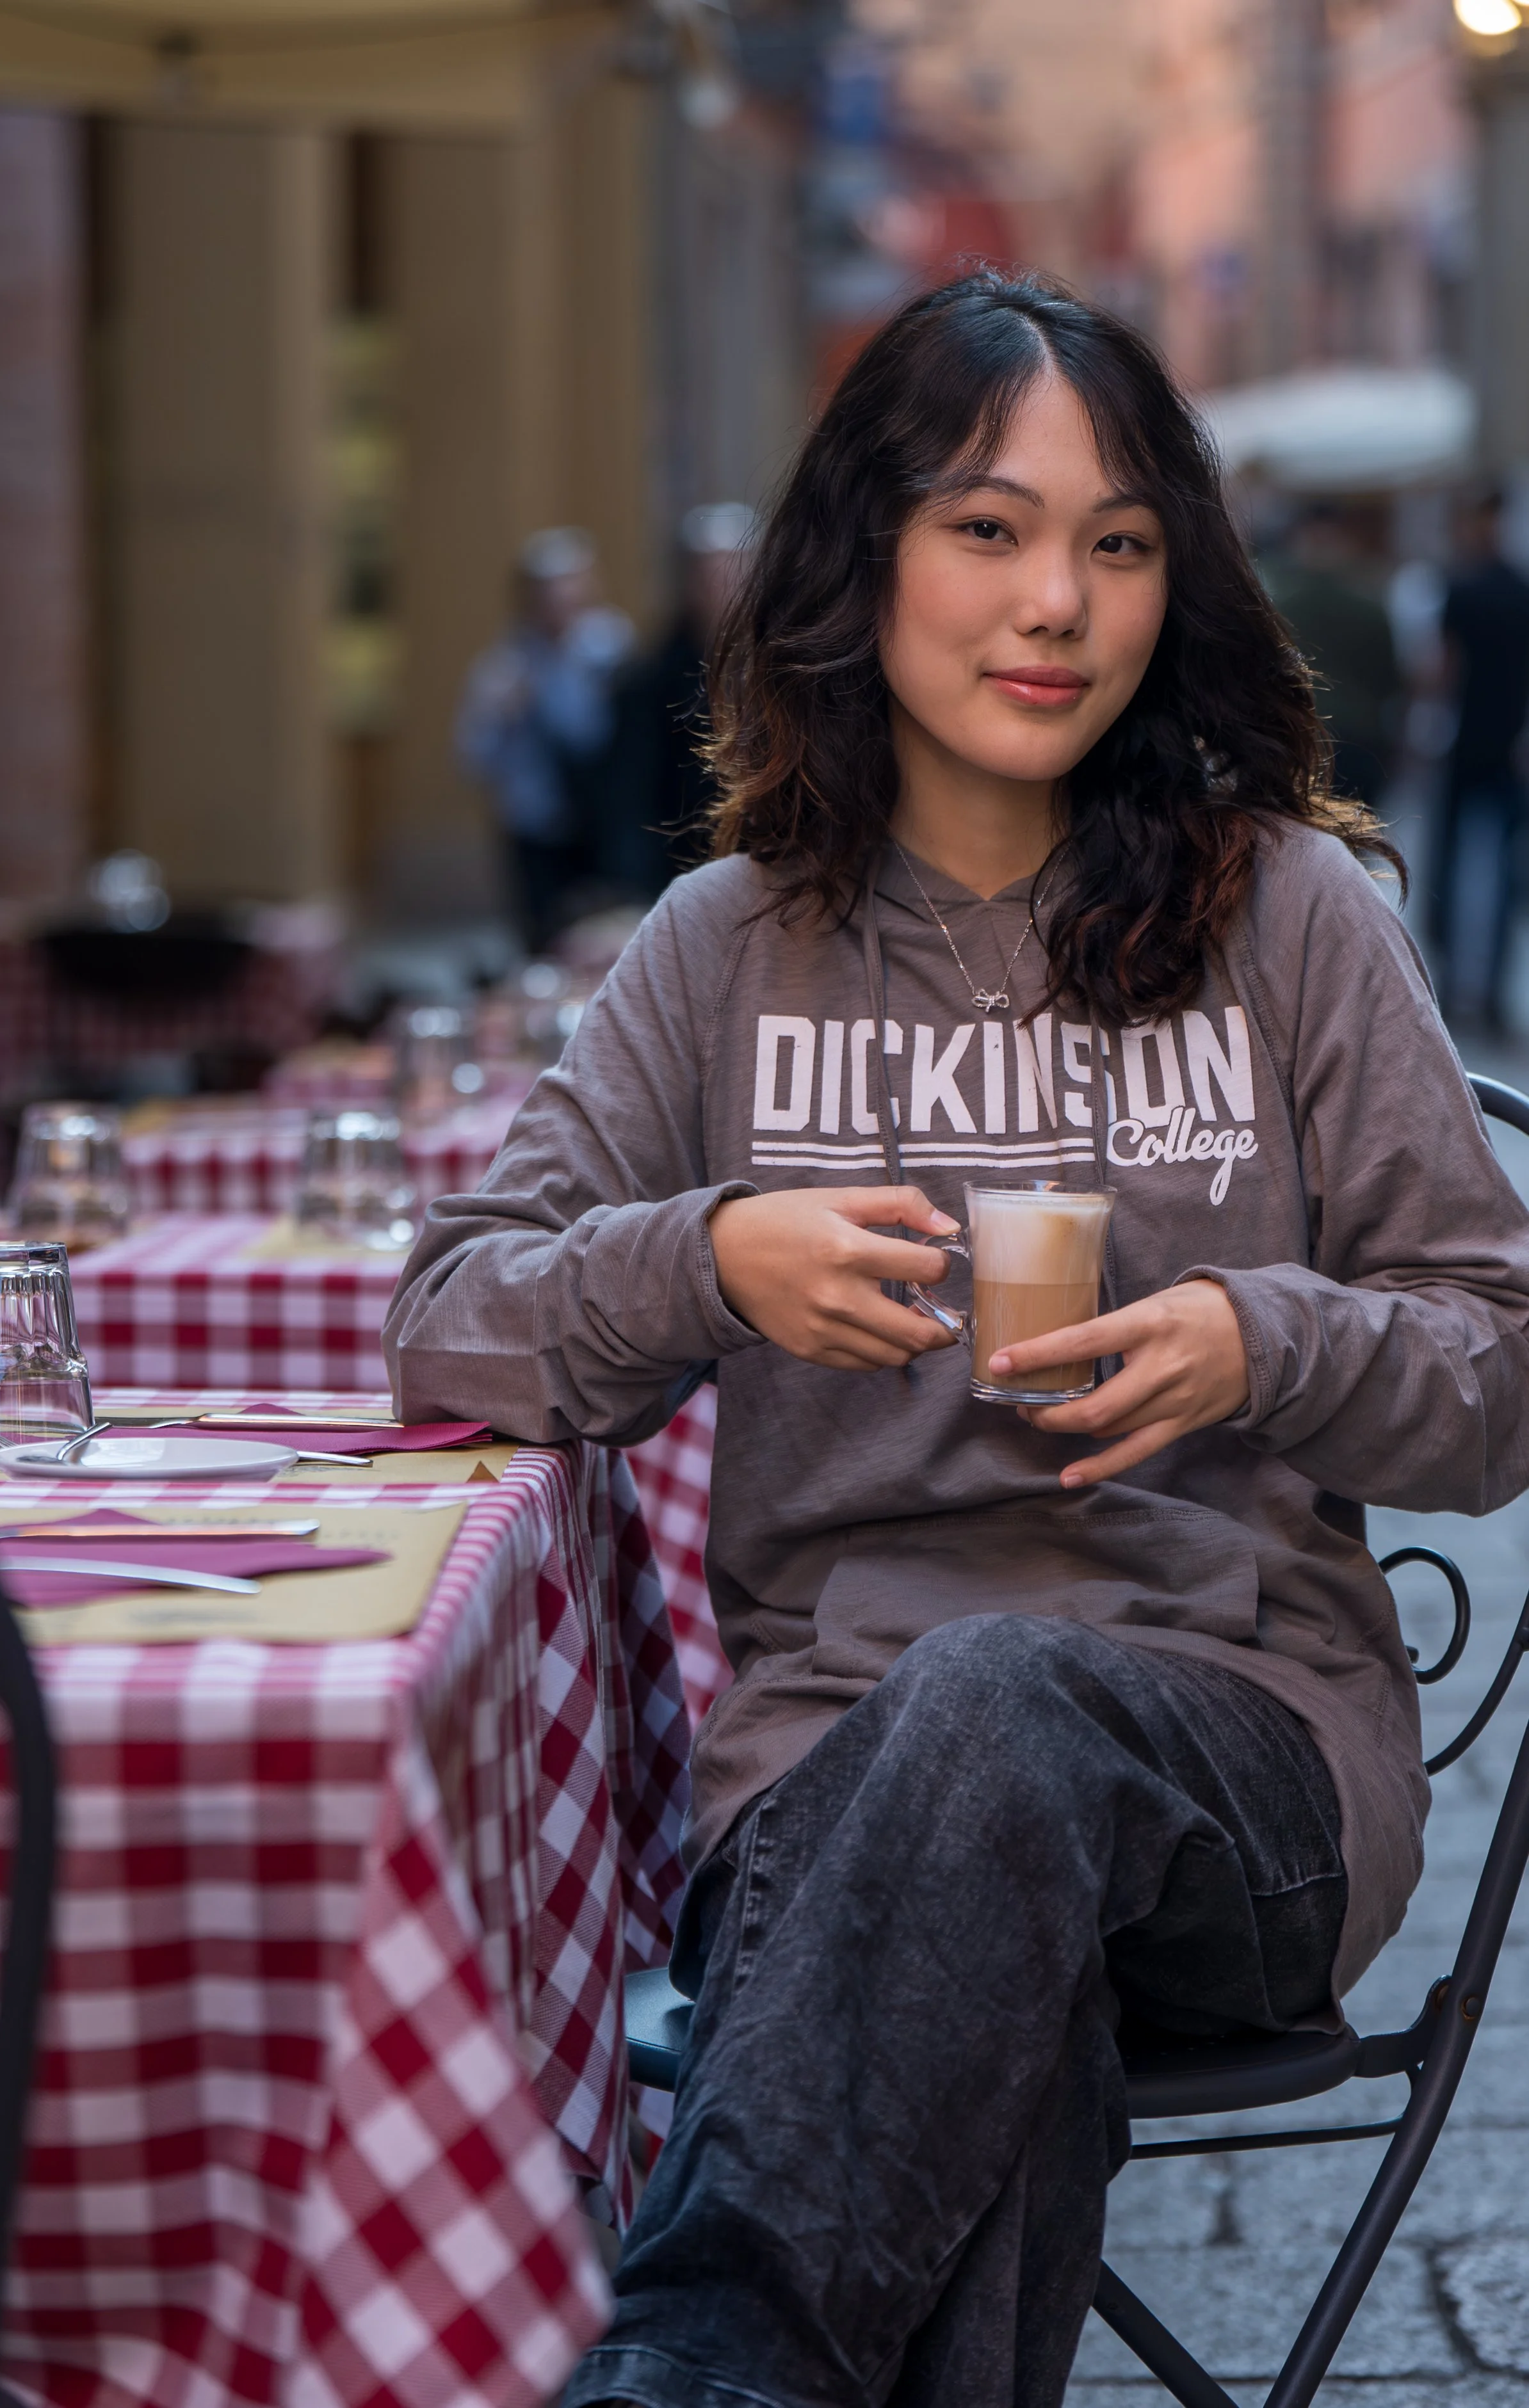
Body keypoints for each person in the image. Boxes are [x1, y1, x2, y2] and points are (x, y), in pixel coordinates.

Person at [387, 273, 1529, 2408]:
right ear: (866, 554)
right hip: (830, 1794)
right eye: (988, 528)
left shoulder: (1293, 915)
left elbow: (1500, 1371)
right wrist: (709, 1261)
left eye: (1118, 541)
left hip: (1243, 1763)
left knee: (995, 1707)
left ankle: (690, 2362)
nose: (1058, 603)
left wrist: (1262, 1341)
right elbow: (451, 1316)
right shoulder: (725, 947)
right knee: (991, 1985)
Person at [455, 526, 634, 949]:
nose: (559, 602)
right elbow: (471, 756)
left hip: (602, 822)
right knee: (540, 937)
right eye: (547, 591)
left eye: (569, 587)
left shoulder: (611, 650)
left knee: (605, 935)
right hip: (535, 825)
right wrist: (503, 717)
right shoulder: (503, 667)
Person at [599, 502, 759, 897]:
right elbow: (632, 797)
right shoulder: (650, 681)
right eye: (711, 578)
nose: (724, 590)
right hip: (681, 874)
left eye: (735, 574)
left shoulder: (789, 669)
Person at [1432, 485, 1529, 1029]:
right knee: (1502, 872)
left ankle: (1452, 983)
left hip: (1467, 743)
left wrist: (1422, 732)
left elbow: (1442, 670)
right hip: (1507, 745)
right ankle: (1488, 991)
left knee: (1451, 863)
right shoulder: (1518, 589)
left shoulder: (1463, 587)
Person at [1259, 500, 1404, 809]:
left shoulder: (1277, 610)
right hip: (1360, 740)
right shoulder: (1370, 608)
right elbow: (1390, 683)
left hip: (1298, 740)